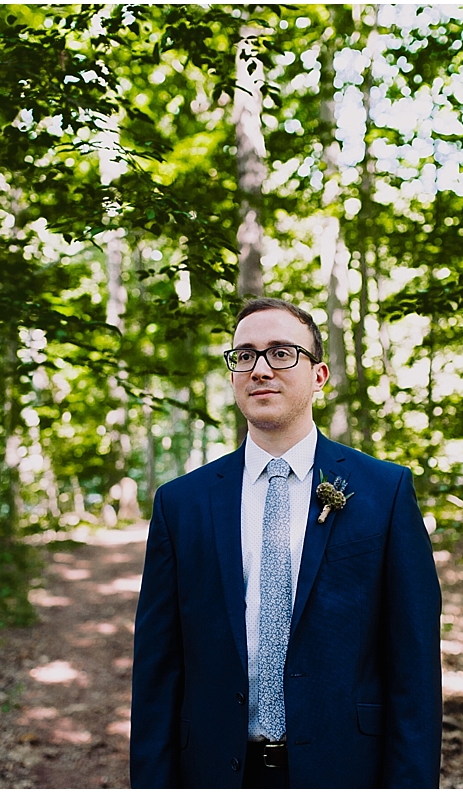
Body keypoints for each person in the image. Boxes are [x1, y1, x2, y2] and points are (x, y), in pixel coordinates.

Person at [130, 297, 442, 789]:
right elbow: (156, 671)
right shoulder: (181, 504)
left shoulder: (384, 492)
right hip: (214, 771)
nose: (260, 369)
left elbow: (414, 666)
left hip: (346, 769)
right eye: (245, 355)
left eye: (281, 353)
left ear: (318, 375)